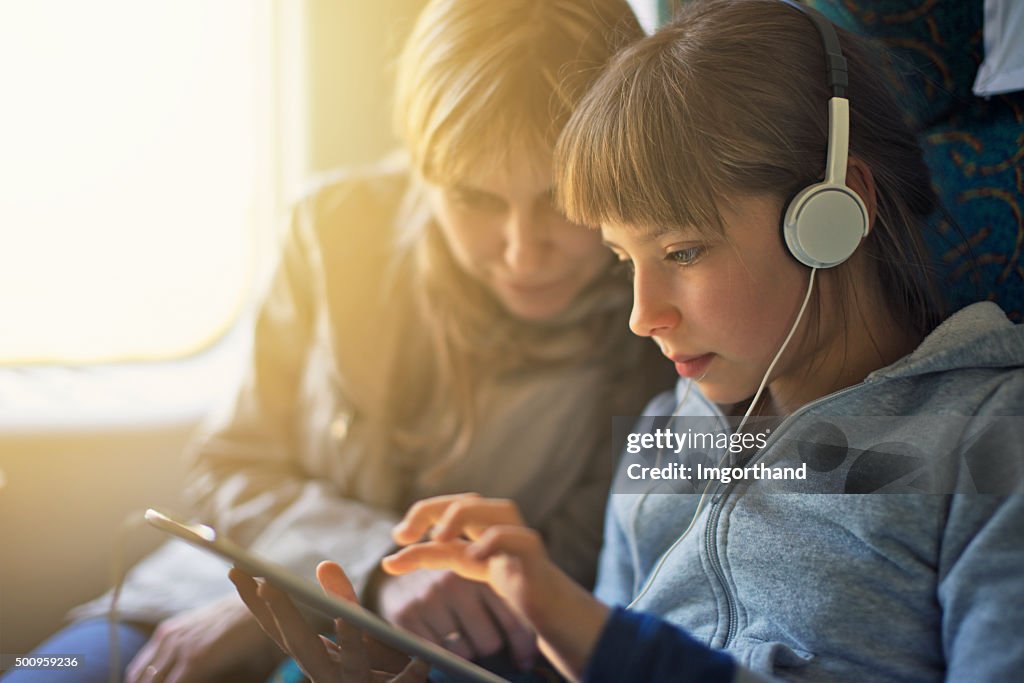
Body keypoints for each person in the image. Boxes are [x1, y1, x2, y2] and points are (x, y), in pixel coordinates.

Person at [238, 0, 1024, 681]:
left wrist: (591, 632)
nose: (640, 314)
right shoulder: (664, 435)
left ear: (833, 211)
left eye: (682, 251)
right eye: (624, 261)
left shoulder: (990, 443)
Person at [2, 2, 670, 682]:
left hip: (454, 645)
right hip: (214, 586)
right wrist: (350, 571)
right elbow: (231, 465)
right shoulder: (331, 232)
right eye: (475, 199)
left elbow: (587, 570)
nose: (522, 251)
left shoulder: (661, 324)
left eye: (559, 201)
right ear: (422, 168)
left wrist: (329, 606)